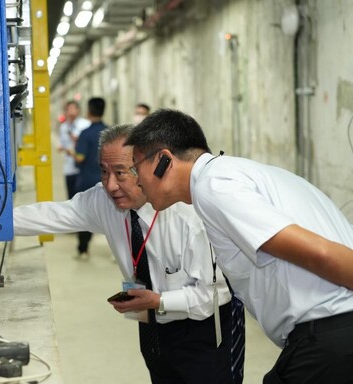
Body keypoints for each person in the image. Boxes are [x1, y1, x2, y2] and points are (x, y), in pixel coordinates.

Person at [125, 108, 353, 384]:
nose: (136, 180)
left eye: (137, 168)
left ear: (164, 160)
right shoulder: (236, 175)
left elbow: (322, 254)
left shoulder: (216, 187)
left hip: (331, 336)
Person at [13, 124, 244, 384]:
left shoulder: (187, 216)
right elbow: (48, 216)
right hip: (150, 326)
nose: (111, 185)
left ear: (143, 169)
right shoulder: (104, 203)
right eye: (104, 171)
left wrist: (158, 301)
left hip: (204, 333)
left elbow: (213, 295)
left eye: (121, 173)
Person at [71, 97, 108, 258]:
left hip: (87, 180)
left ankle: (83, 249)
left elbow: (80, 157)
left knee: (86, 214)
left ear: (89, 111)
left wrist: (71, 150)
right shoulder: (111, 132)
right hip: (107, 181)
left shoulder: (85, 134)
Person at [57, 100, 90, 199]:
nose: (71, 112)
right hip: (69, 167)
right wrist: (62, 148)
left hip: (83, 167)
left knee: (85, 197)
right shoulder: (63, 127)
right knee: (71, 197)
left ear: (78, 110)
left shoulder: (86, 125)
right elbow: (62, 144)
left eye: (73, 109)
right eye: (68, 109)